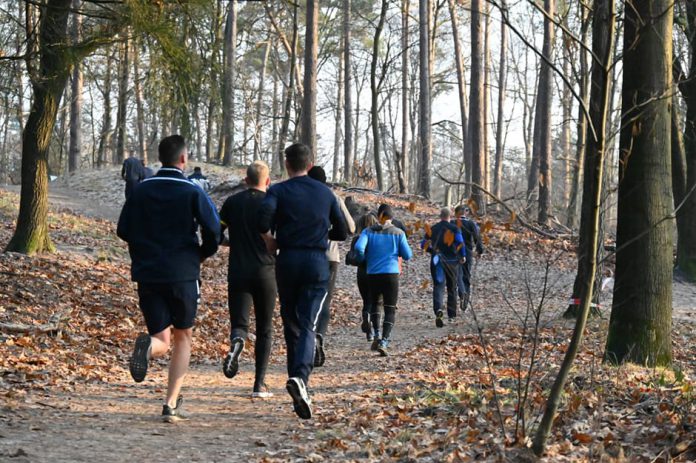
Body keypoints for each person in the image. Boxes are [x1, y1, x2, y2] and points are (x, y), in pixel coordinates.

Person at [117, 135, 220, 423]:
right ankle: (170, 403)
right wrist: (202, 254)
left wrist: (144, 247)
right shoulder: (192, 191)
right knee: (183, 335)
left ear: (160, 157)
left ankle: (147, 347)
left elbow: (123, 229)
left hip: (148, 272)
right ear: (184, 159)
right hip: (183, 272)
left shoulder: (140, 190)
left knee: (160, 337)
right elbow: (214, 230)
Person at [258, 143, 348, 420]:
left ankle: (297, 382)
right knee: (308, 323)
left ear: (287, 164)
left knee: (291, 323)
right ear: (310, 164)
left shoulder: (278, 191)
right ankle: (300, 379)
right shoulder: (326, 193)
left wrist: (270, 240)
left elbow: (261, 219)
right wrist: (320, 230)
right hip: (317, 262)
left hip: (287, 260)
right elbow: (343, 231)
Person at [219, 161, 277, 398]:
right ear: (268, 181)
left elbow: (216, 231)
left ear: (246, 180)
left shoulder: (232, 203)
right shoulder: (272, 204)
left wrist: (228, 243)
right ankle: (259, 384)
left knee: (239, 323)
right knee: (265, 328)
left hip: (238, 270)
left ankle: (238, 341)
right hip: (266, 271)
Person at [307, 166, 356, 367]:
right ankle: (319, 335)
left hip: (304, 254)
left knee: (305, 299)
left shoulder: (302, 195)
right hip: (329, 256)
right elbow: (351, 228)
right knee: (324, 301)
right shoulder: (333, 197)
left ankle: (307, 341)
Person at [354, 205, 413, 356]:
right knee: (390, 308)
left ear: (379, 215)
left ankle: (376, 335)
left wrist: (363, 259)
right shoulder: (398, 233)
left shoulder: (368, 232)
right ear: (391, 218)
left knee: (375, 305)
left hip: (373, 274)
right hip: (391, 275)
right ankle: (384, 341)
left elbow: (359, 248)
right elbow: (407, 255)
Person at [423, 208, 466, 327]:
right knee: (452, 288)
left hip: (437, 261)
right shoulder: (454, 228)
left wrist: (432, 251)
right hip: (452, 261)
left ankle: (438, 310)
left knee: (438, 286)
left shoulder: (433, 228)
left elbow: (423, 244)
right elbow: (460, 243)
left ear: (440, 216)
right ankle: (451, 315)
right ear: (450, 216)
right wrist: (463, 255)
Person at [347, 213, 379, 341]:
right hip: (374, 272)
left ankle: (366, 321)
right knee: (374, 300)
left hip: (361, 273)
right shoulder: (377, 238)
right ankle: (372, 328)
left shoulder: (356, 239)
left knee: (366, 300)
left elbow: (353, 256)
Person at [452, 205, 484, 311]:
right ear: (465, 213)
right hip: (468, 253)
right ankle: (465, 302)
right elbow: (477, 237)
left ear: (456, 213)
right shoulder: (471, 223)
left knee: (457, 275)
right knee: (466, 276)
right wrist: (480, 250)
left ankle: (462, 293)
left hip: (454, 252)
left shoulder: (452, 223)